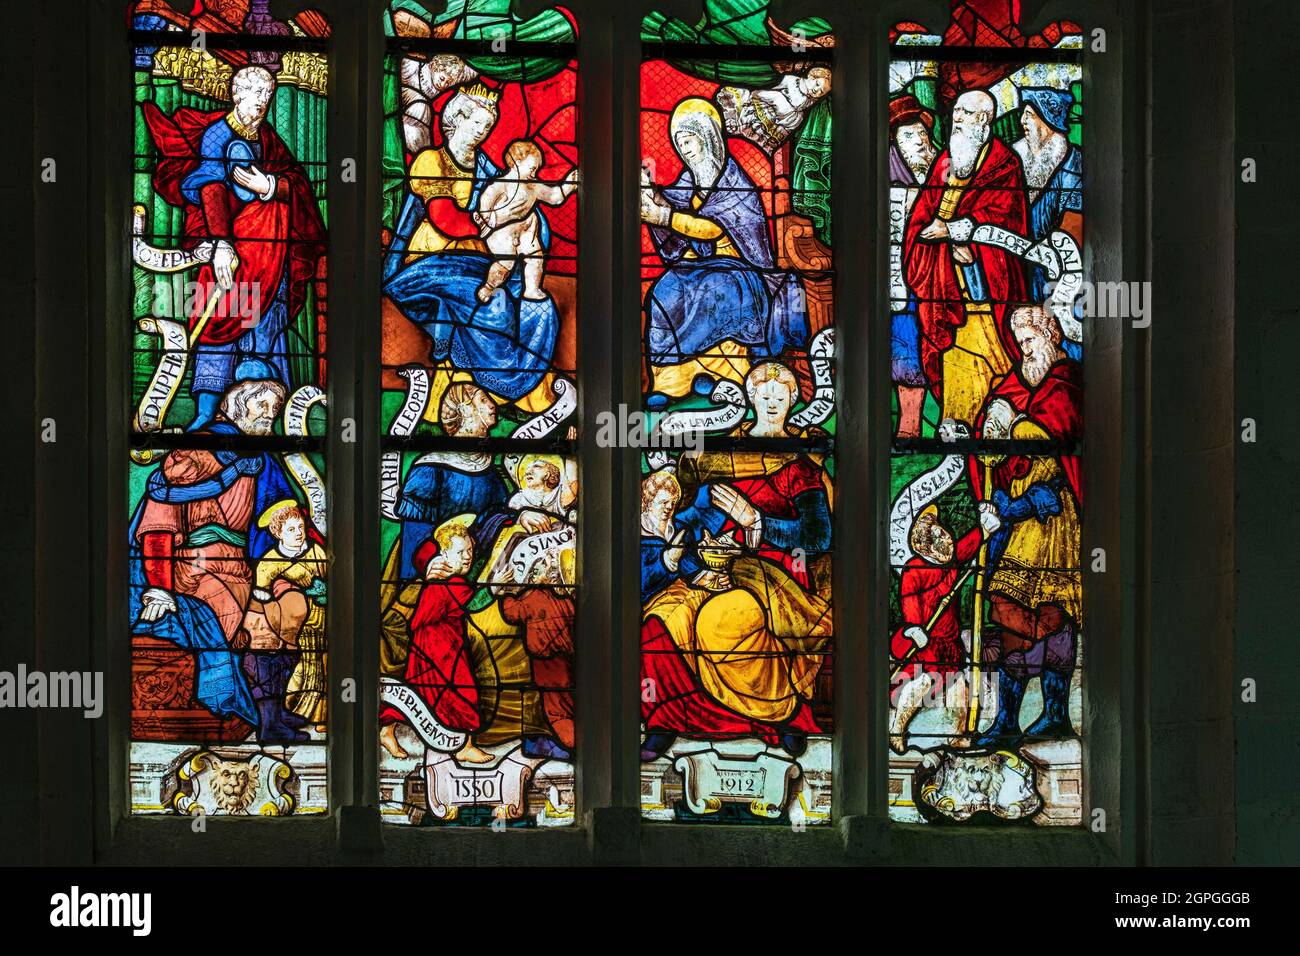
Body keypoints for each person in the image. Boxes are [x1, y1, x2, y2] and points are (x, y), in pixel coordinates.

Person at [129, 360, 313, 741]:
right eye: (263, 406)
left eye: (276, 410)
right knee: (253, 626)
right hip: (193, 573)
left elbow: (272, 515)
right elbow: (159, 523)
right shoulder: (193, 453)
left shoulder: (256, 460)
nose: (270, 416)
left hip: (238, 570)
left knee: (284, 614)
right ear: (236, 404)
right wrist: (161, 587)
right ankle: (255, 718)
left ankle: (273, 715)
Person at [142, 66, 326, 430]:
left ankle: (271, 410)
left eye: (267, 95)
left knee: (265, 320)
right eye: (255, 93)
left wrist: (271, 186)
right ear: (236, 94)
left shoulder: (268, 139)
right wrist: (223, 243)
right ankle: (208, 410)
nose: (261, 102)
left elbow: (295, 181)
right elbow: (211, 188)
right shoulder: (218, 136)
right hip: (231, 247)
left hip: (272, 256)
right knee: (222, 317)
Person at [383, 84, 562, 406]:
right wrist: (499, 219)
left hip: (481, 258)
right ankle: (473, 390)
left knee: (530, 302)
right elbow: (446, 220)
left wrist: (523, 227)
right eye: (477, 123)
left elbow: (523, 205)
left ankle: (516, 397)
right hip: (432, 258)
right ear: (456, 120)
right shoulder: (431, 161)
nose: (483, 132)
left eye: (488, 127)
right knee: (493, 306)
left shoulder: (488, 169)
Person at [640, 98, 807, 399]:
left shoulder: (735, 184)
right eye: (679, 143)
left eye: (689, 141)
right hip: (697, 267)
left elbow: (712, 227)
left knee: (713, 292)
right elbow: (675, 211)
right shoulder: (689, 180)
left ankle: (721, 374)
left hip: (743, 273)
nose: (684, 150)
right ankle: (672, 381)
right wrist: (651, 197)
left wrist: (663, 216)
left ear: (707, 138)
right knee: (663, 294)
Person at [973, 306, 1083, 746]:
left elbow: (1050, 472)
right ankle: (1007, 719)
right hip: (1023, 525)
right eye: (1019, 342)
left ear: (1052, 334)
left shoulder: (1066, 385)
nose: (1025, 349)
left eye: (1031, 339)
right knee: (1012, 613)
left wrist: (1012, 425)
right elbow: (997, 456)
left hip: (1055, 527)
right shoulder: (1020, 385)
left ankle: (1054, 714)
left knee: (1052, 615)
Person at [905, 89, 1029, 430]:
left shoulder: (1004, 164)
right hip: (945, 286)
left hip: (988, 292)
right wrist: (937, 241)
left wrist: (959, 233)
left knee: (996, 359)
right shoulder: (945, 162)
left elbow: (1006, 220)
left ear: (984, 121)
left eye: (966, 113)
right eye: (956, 111)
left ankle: (996, 429)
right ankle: (956, 430)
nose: (957, 119)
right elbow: (921, 219)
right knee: (955, 360)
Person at [889, 504, 1000, 754]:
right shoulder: (913, 570)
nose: (945, 536)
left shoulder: (950, 560)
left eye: (942, 531)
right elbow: (909, 601)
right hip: (926, 642)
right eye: (938, 533)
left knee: (961, 685)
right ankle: (898, 728)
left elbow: (966, 547)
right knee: (925, 681)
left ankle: (959, 735)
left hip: (949, 641)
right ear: (925, 542)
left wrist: (983, 529)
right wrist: (915, 628)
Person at [380, 523, 493, 764]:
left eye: (470, 552)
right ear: (443, 555)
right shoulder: (453, 584)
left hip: (434, 646)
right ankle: (465, 746)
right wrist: (495, 586)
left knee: (419, 692)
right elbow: (475, 603)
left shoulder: (442, 583)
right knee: (463, 691)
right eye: (460, 552)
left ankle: (386, 729)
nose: (467, 558)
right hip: (440, 650)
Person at [1012, 87, 1084, 361]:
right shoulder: (1019, 160)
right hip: (1021, 266)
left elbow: (1073, 226)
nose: (1022, 123)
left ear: (1047, 119)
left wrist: (1050, 254)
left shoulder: (1072, 162)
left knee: (1060, 333)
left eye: (1029, 115)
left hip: (1060, 274)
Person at [246, 500, 328, 736]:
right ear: (277, 533)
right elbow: (261, 598)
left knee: (315, 667)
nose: (298, 533)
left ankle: (296, 712)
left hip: (320, 619)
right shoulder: (268, 562)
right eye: (291, 530)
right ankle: (276, 718)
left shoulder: (316, 551)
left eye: (301, 527)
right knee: (284, 665)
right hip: (286, 628)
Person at [888, 95, 938, 438]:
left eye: (921, 132)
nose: (918, 141)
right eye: (908, 135)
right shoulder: (887, 177)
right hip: (896, 285)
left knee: (921, 356)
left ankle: (914, 428)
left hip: (934, 283)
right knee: (903, 353)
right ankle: (906, 429)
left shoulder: (942, 172)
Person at [474, 140, 578, 303]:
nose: (534, 172)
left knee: (536, 258)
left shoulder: (533, 186)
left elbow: (553, 197)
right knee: (504, 263)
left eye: (536, 168)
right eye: (532, 167)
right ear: (516, 162)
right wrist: (495, 214)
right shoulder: (501, 184)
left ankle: (531, 289)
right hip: (502, 232)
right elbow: (485, 204)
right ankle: (489, 286)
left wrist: (568, 185)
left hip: (526, 229)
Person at [715, 67, 832, 152]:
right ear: (811, 76)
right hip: (764, 105)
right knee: (743, 120)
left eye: (821, 92)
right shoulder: (791, 80)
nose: (817, 90)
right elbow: (772, 87)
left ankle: (739, 146)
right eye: (817, 84)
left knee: (754, 135)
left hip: (774, 122)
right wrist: (772, 98)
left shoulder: (809, 102)